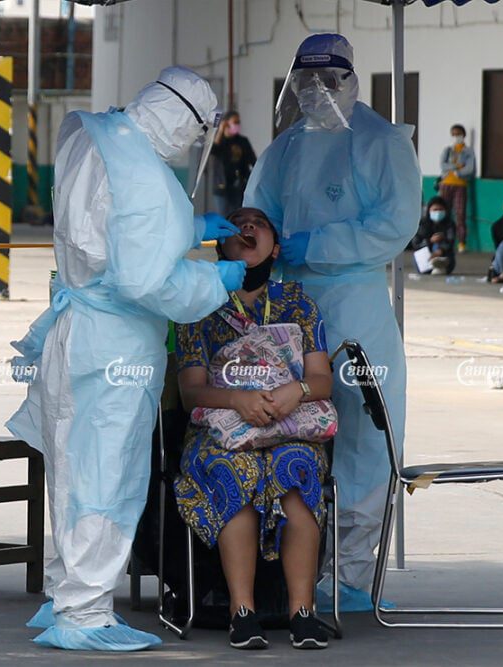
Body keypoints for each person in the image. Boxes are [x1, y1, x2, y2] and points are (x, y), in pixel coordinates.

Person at [5, 66, 247, 652]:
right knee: (107, 473)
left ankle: (65, 594)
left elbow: (110, 230)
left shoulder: (96, 138)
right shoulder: (148, 175)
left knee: (71, 466)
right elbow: (145, 280)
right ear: (184, 120)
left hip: (76, 331)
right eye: (195, 133)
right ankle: (85, 612)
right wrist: (214, 280)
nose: (190, 146)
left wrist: (185, 228)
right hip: (117, 347)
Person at [245, 33, 420, 612]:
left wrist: (316, 243)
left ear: (351, 80)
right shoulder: (285, 149)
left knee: (366, 434)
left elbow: (395, 225)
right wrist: (253, 240)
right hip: (291, 313)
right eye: (305, 82)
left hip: (356, 310)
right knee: (288, 430)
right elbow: (257, 218)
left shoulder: (381, 142)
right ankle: (286, 569)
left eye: (327, 81)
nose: (316, 93)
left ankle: (349, 573)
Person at [174, 207, 334, 650]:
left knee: (296, 471)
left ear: (275, 248)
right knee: (236, 474)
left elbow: (323, 381)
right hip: (221, 431)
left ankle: (303, 613)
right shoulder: (199, 304)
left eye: (259, 223)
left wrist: (297, 390)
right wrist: (237, 401)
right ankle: (241, 613)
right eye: (237, 222)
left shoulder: (299, 304)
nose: (247, 227)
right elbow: (190, 392)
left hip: (289, 425)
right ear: (220, 244)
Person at [211, 111, 257, 216]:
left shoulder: (242, 141)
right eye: (235, 122)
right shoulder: (221, 141)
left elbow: (253, 160)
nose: (237, 125)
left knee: (237, 216)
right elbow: (213, 151)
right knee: (223, 216)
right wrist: (220, 130)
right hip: (222, 187)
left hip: (239, 187)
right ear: (226, 123)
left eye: (238, 122)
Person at [438, 124, 475, 252]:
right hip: (445, 183)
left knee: (460, 214)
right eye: (453, 134)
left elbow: (470, 168)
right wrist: (457, 166)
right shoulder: (448, 150)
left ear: (463, 135)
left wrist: (458, 173)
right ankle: (443, 239)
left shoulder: (468, 151)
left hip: (460, 184)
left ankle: (461, 242)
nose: (456, 137)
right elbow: (442, 165)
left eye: (458, 134)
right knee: (443, 212)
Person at [410, 196, 456, 274]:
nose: (438, 212)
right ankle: (433, 266)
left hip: (443, 254)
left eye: (440, 210)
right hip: (425, 254)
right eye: (435, 210)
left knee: (442, 248)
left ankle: (440, 265)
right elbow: (416, 243)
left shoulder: (449, 224)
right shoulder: (422, 224)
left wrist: (441, 249)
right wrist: (429, 241)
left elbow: (451, 241)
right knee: (424, 269)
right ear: (429, 211)